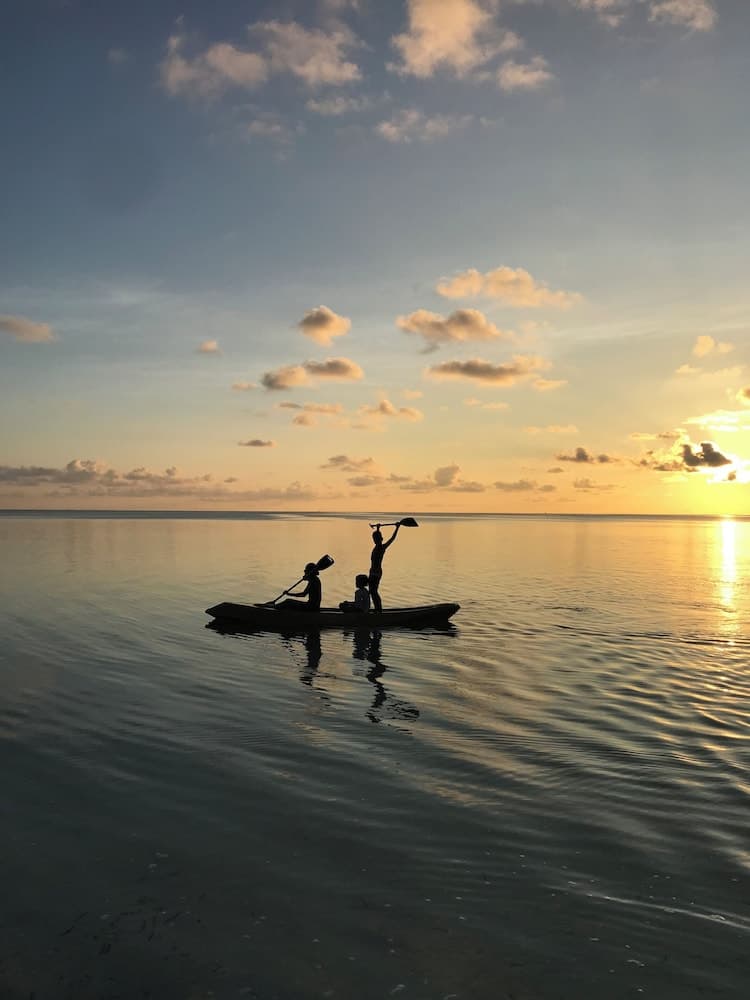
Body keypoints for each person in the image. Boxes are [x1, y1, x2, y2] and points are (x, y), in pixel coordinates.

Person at [368, 522, 400, 613]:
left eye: (376, 539)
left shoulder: (382, 547)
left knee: (374, 591)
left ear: (380, 539)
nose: (374, 540)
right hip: (372, 572)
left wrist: (397, 528)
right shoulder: (376, 546)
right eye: (374, 539)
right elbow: (378, 536)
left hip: (376, 573)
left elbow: (392, 538)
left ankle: (379, 610)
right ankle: (377, 609)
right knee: (371, 591)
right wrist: (378, 529)